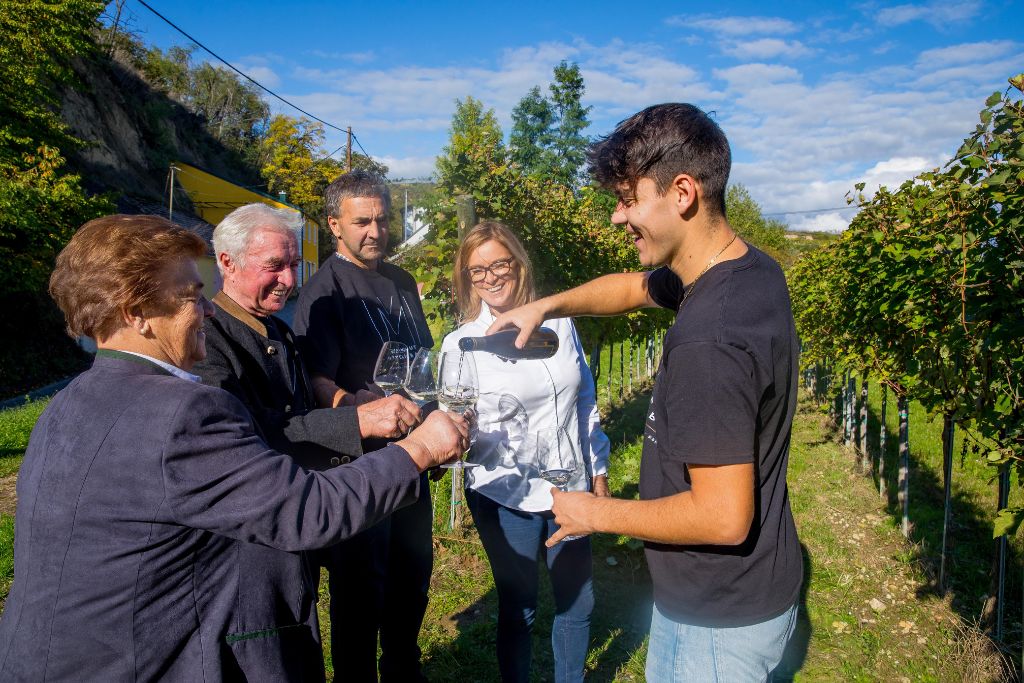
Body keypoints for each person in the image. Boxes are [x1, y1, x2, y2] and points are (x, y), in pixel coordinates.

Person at [0, 215, 468, 681]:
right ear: (135, 312)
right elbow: (303, 510)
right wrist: (420, 448)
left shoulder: (65, 404)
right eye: (189, 296)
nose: (207, 310)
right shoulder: (181, 413)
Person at [488, 104, 803, 682]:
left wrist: (594, 511)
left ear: (682, 192)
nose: (616, 217)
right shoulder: (746, 271)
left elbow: (723, 517)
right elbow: (632, 288)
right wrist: (546, 305)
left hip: (716, 619)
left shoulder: (712, 340)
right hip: (752, 591)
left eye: (629, 199)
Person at [191, 203, 425, 678]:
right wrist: (355, 421)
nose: (288, 279)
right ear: (226, 263)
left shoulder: (276, 329)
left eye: (294, 264)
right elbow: (252, 431)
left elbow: (300, 414)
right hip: (254, 536)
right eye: (274, 266)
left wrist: (348, 405)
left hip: (306, 507)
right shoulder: (207, 341)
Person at [439, 221, 610, 683]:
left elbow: (585, 403)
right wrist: (463, 434)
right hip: (505, 492)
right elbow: (452, 423)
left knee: (579, 600)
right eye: (478, 270)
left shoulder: (560, 323)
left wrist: (599, 470)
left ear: (518, 264)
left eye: (500, 263)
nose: (491, 277)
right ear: (467, 279)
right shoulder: (461, 345)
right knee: (520, 606)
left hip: (569, 486)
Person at [294, 170, 434, 682]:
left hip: (415, 453)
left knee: (412, 575)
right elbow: (315, 379)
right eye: (362, 221)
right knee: (361, 587)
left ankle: (402, 667)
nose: (375, 230)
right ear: (334, 224)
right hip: (359, 468)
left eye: (382, 218)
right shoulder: (323, 292)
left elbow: (420, 355)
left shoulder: (399, 282)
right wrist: (361, 414)